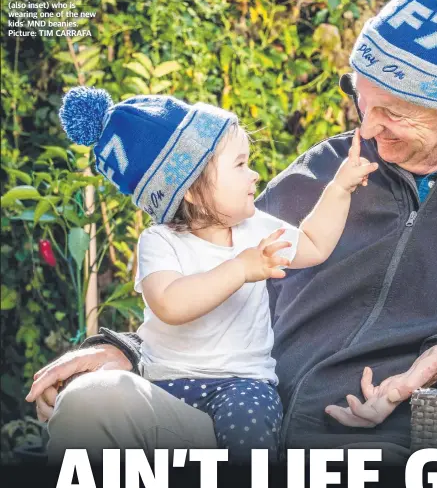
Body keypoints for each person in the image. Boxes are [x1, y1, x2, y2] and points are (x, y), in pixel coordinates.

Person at [27, 0, 437, 464]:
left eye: (394, 114)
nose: (367, 130)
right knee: (94, 404)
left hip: (389, 454)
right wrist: (130, 354)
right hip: (239, 425)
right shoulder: (327, 166)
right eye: (363, 102)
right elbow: (225, 280)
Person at [54, 88, 377, 460]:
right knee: (104, 415)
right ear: (190, 189)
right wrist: (239, 268)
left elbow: (314, 244)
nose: (255, 175)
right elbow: (171, 304)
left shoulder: (253, 228)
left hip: (242, 386)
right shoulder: (159, 241)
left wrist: (339, 188)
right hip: (164, 384)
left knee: (252, 431)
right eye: (240, 165)